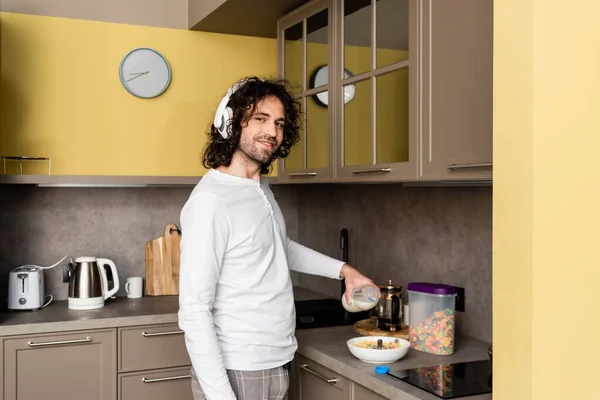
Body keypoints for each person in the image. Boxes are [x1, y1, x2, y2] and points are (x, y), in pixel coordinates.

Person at [178, 76, 375, 400]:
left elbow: (277, 248)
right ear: (231, 122)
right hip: (239, 370)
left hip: (276, 361)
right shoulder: (211, 202)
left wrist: (344, 271)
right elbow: (194, 310)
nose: (272, 131)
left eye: (279, 123)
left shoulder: (258, 188)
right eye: (260, 119)